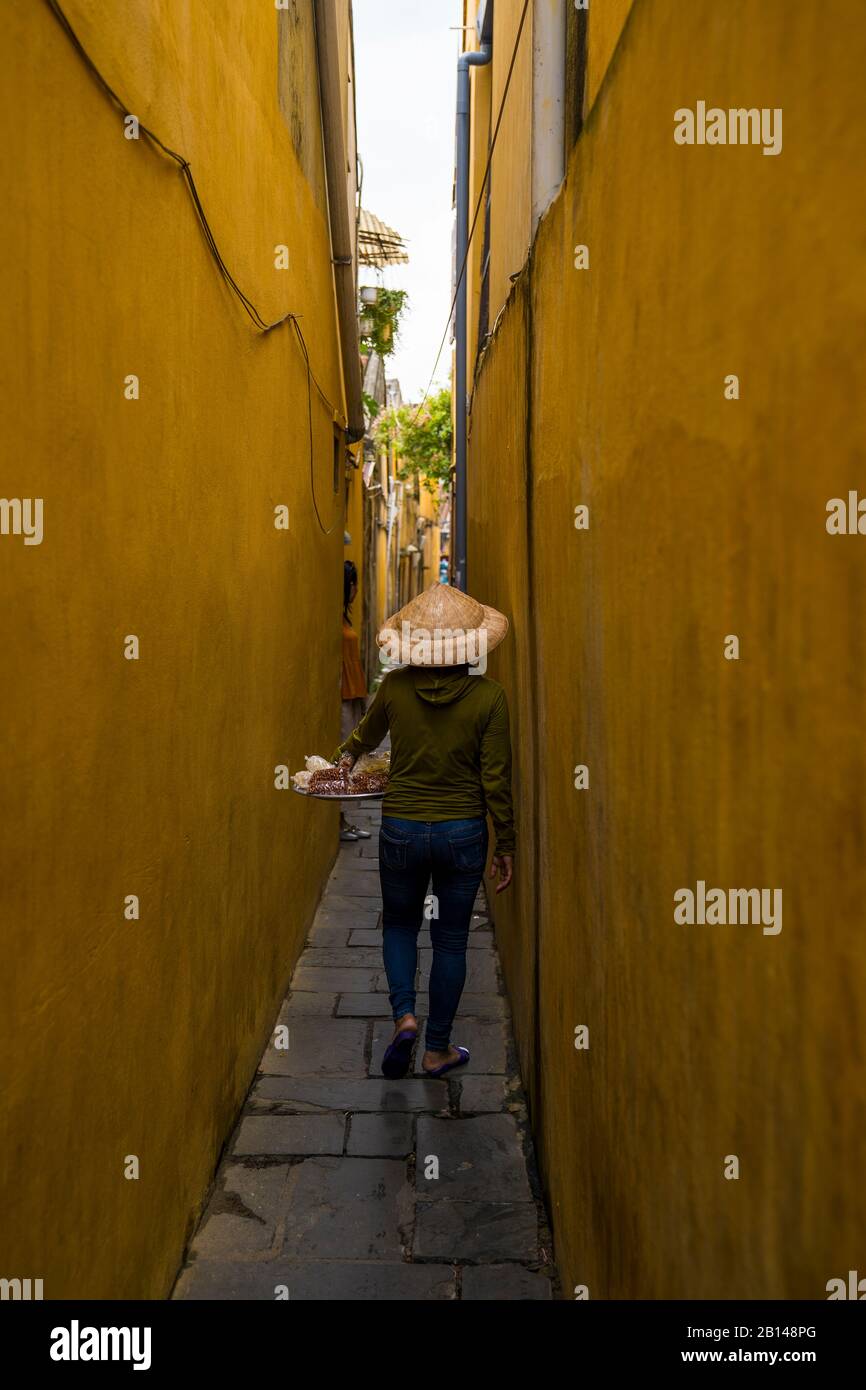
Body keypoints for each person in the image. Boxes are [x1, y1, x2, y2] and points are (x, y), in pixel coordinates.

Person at [332, 581, 514, 1079]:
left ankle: (404, 1016)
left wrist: (335, 767)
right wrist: (508, 843)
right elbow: (495, 778)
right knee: (452, 939)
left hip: (403, 829)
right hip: (463, 833)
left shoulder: (394, 689)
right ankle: (437, 1049)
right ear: (471, 645)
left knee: (399, 925)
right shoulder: (490, 698)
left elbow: (363, 739)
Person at [340, 561, 369, 843]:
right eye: (353, 583)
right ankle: (341, 821)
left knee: (351, 757)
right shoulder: (335, 620)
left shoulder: (345, 619)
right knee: (344, 759)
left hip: (353, 693)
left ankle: (345, 820)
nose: (357, 590)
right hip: (343, 697)